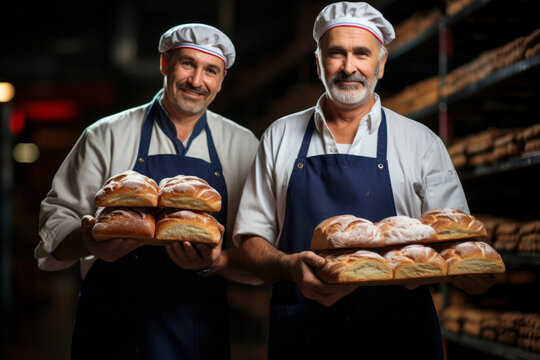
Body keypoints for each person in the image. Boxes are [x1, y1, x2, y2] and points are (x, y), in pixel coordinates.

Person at [233, 2, 495, 359]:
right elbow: (250, 241)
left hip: (400, 336)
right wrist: (288, 267)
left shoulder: (419, 142)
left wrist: (464, 271)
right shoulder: (280, 136)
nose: (349, 67)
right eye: (336, 53)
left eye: (361, 53)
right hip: (304, 332)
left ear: (381, 64)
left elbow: (458, 243)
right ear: (318, 62)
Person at [36, 23, 259, 359]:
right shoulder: (105, 135)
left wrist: (217, 262)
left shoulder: (242, 145)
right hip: (112, 329)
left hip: (197, 329)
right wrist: (88, 241)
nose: (197, 81)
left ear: (222, 79)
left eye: (210, 70)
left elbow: (258, 251)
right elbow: (55, 225)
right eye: (187, 64)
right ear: (164, 64)